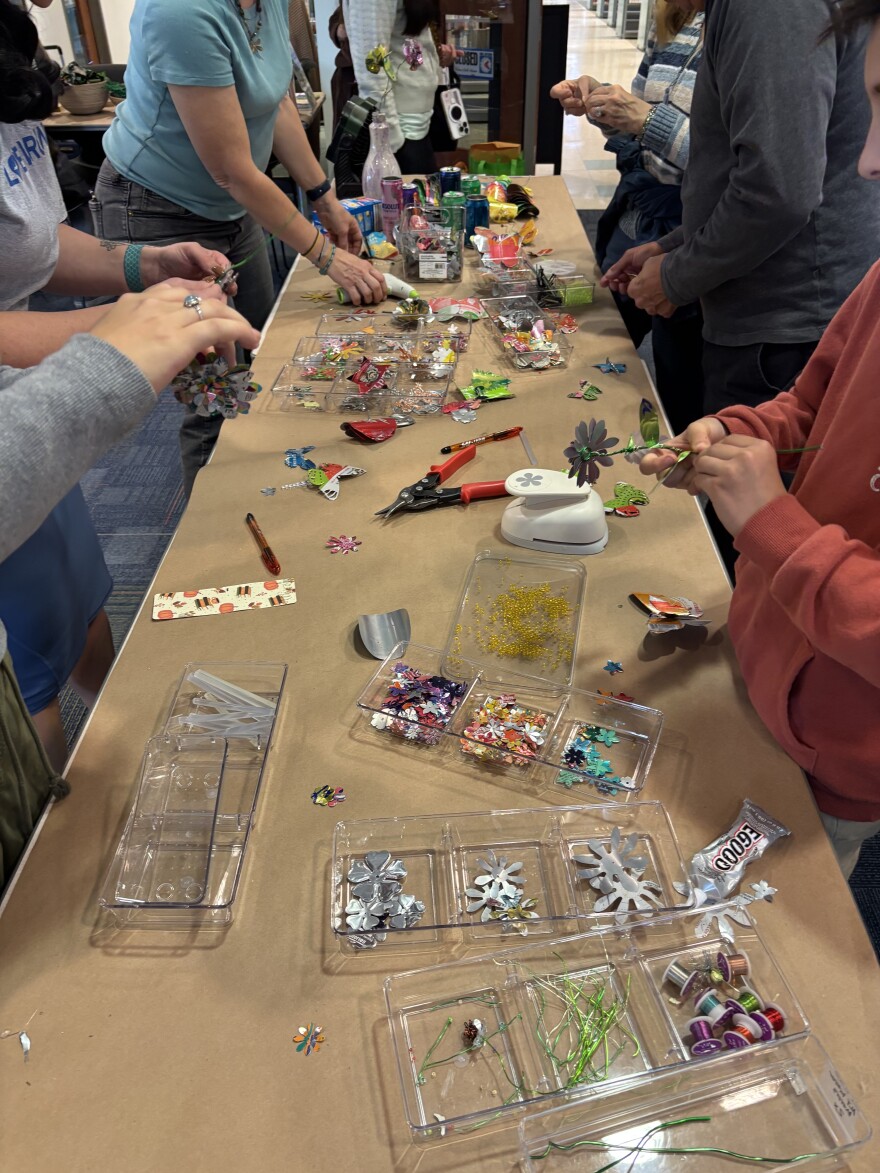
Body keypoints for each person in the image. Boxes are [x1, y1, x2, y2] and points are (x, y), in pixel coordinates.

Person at [639, 0, 880, 880]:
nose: (865, 161)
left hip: (843, 747)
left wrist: (771, 526)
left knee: (792, 916)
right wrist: (738, 431)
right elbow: (810, 405)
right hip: (771, 668)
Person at [0, 0, 234, 772]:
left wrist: (142, 266)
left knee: (77, 595)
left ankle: (139, 741)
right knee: (26, 668)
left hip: (27, 414)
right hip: (20, 415)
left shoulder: (10, 73)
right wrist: (120, 328)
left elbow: (27, 248)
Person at [0, 285, 260, 890]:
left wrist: (127, 303)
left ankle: (118, 746)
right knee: (36, 693)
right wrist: (107, 357)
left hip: (26, 433)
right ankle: (83, 841)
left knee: (83, 610)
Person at [92, 0, 386, 496]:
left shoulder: (266, 3)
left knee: (257, 362)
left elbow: (275, 102)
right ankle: (208, 544)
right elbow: (229, 168)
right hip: (156, 211)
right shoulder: (180, 11)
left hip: (231, 207)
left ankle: (255, 494)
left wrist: (324, 197)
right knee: (214, 398)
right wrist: (326, 255)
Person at [604, 0, 880, 420]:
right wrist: (675, 245)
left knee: (744, 477)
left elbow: (778, 190)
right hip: (772, 310)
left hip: (783, 326)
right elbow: (762, 167)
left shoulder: (767, 8)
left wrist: (678, 276)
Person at [550, 1, 705, 435]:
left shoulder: (753, 29)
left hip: (696, 232)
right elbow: (643, 121)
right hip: (641, 221)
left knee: (683, 393)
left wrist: (644, 119)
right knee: (596, 360)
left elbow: (740, 164)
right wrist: (602, 104)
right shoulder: (676, 20)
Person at [344, 0, 459, 173]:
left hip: (419, 122)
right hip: (400, 129)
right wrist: (389, 141)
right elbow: (371, 69)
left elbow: (407, 41)